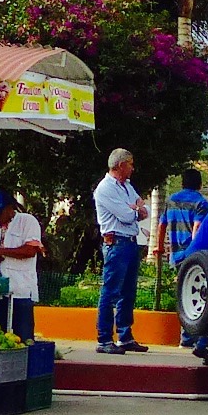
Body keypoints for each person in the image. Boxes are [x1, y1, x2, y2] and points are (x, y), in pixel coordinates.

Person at [92, 148, 148, 355]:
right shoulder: (106, 188)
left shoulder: (127, 187)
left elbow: (144, 209)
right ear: (120, 165)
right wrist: (135, 209)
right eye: (130, 164)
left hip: (130, 242)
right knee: (111, 291)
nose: (133, 168)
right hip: (116, 242)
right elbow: (126, 215)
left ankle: (125, 336)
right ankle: (104, 338)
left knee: (128, 292)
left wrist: (136, 208)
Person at [0, 187, 44, 344]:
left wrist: (2, 251)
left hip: (20, 291)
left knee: (23, 339)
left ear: (10, 208)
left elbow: (31, 250)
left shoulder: (27, 221)